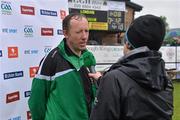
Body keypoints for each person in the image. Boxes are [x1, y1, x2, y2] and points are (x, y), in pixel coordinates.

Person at [89, 14, 173, 120]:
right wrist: (103, 80)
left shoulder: (114, 79)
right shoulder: (165, 79)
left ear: (128, 44)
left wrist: (108, 81)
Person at [28, 13, 96, 120]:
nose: (84, 37)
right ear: (65, 33)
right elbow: (37, 102)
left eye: (86, 31)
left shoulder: (88, 58)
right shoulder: (52, 60)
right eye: (78, 32)